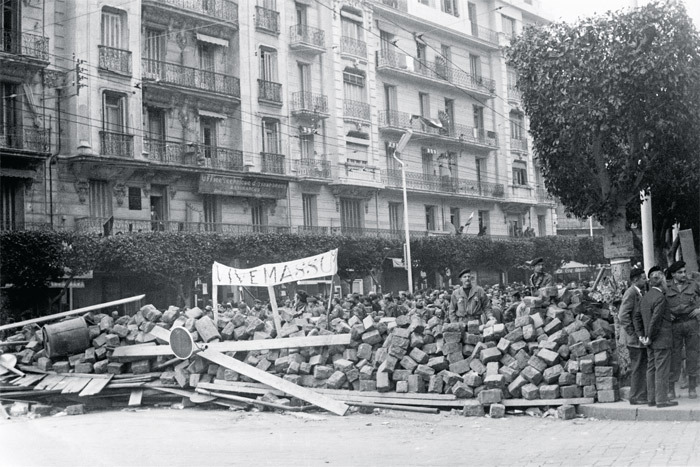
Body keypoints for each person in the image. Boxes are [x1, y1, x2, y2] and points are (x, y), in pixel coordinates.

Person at [634, 266, 677, 408]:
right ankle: (662, 399)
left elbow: (637, 317)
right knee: (662, 370)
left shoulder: (645, 297)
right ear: (661, 282)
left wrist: (642, 336)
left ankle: (652, 398)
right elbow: (656, 320)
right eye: (665, 280)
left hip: (648, 340)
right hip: (661, 339)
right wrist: (650, 336)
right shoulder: (660, 298)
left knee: (651, 368)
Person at [666, 260, 700, 399]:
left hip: (691, 323)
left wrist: (699, 309)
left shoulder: (694, 284)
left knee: (693, 354)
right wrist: (666, 315)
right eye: (680, 272)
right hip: (675, 325)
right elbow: (659, 304)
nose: (683, 274)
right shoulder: (666, 287)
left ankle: (692, 387)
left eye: (684, 271)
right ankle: (671, 388)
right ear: (673, 274)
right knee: (674, 356)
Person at [619, 266, 648, 405]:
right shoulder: (630, 293)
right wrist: (632, 333)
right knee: (637, 366)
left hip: (637, 337)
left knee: (641, 365)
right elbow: (623, 315)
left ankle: (640, 394)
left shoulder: (640, 292)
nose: (646, 280)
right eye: (643, 278)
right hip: (633, 339)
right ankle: (635, 396)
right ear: (635, 280)